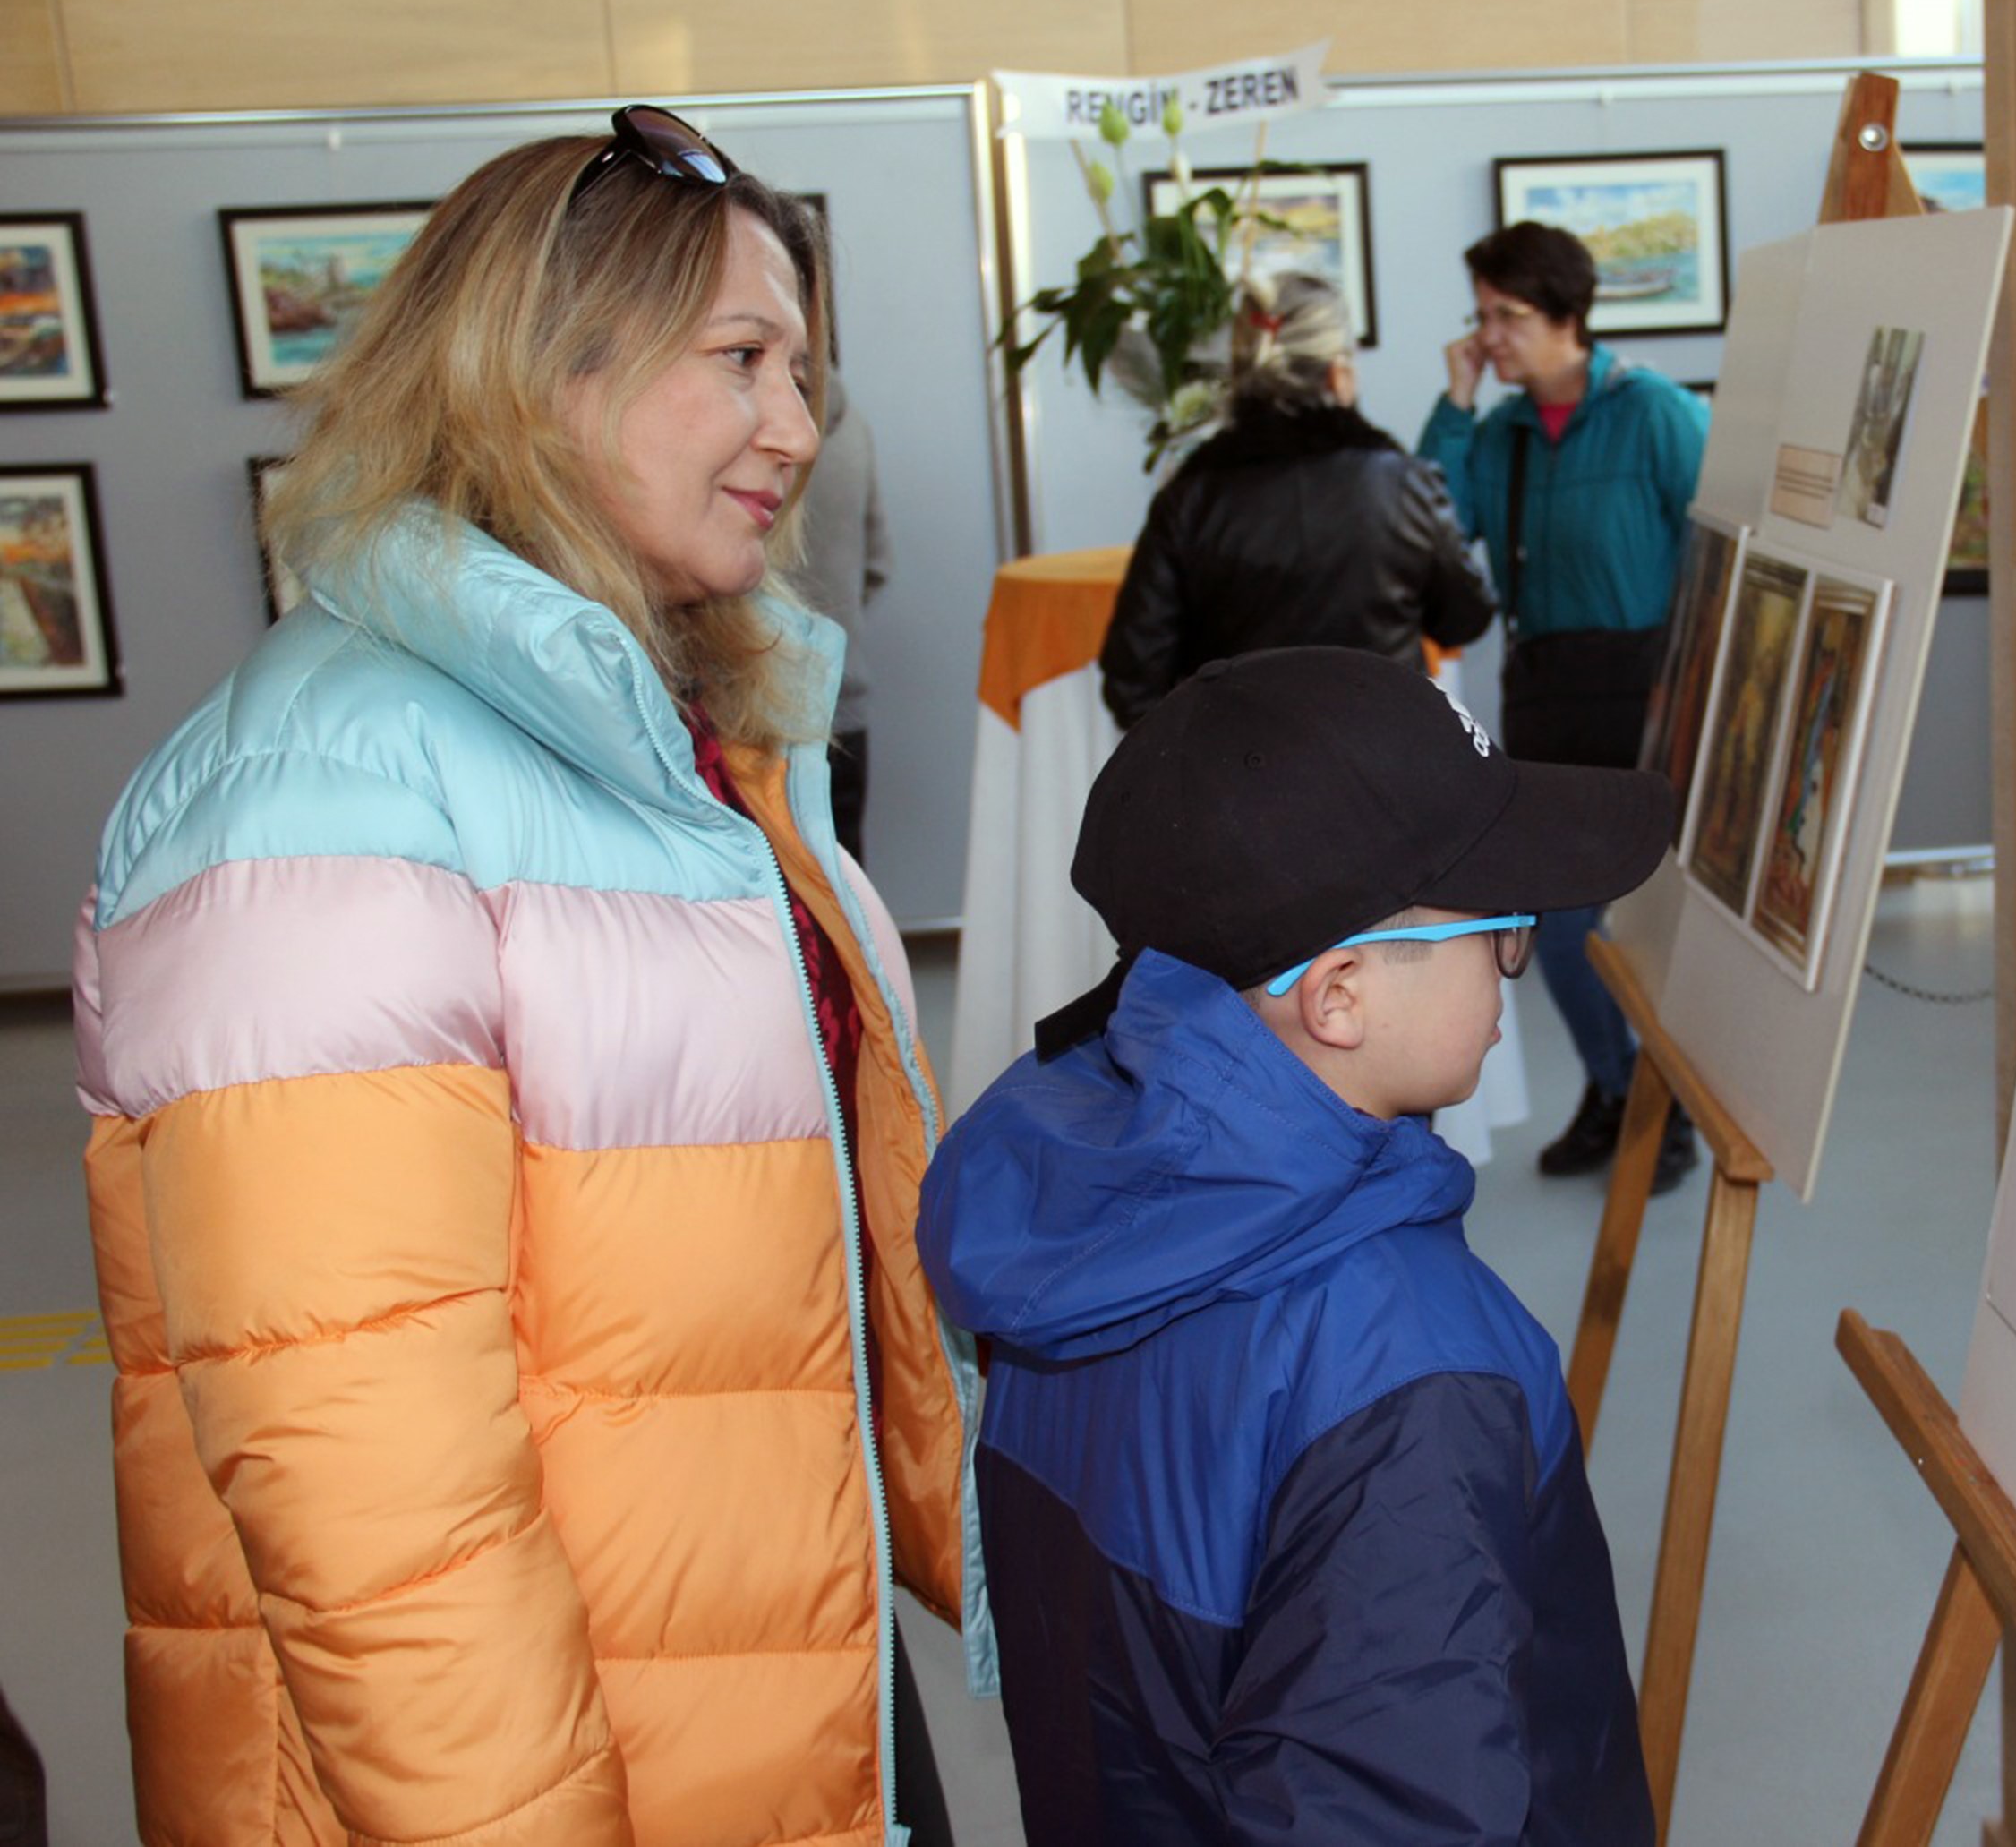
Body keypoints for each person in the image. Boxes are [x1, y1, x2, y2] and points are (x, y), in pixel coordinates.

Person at [72, 107, 968, 1843]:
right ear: (544, 369)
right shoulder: (320, 798)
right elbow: (375, 1514)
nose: (794, 426)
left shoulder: (675, 741)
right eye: (744, 360)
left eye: (801, 370)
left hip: (748, 1676)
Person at [921, 647, 1666, 1847]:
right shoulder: (1411, 1371)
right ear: (1340, 997)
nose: (1515, 963)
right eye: (1504, 931)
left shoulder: (1060, 1207)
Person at [1421, 220, 1710, 1192]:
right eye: (1481, 315)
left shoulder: (1653, 413)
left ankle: (1655, 1105)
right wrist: (1455, 402)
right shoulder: (1496, 431)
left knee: (1652, 923)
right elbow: (1430, 517)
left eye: (1506, 316)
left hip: (1647, 685)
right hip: (1541, 683)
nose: (1487, 335)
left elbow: (1719, 549)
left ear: (1567, 318)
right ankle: (1617, 1084)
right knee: (1555, 918)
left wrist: (1691, 684)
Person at [1098, 269, 1494, 729]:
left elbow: (1131, 681)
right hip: (1386, 763)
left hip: (1242, 774)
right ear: (1338, 373)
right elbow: (1465, 618)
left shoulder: (1191, 498)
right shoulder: (1404, 485)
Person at [779, 363, 892, 859]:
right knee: (846, 887)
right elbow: (879, 564)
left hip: (752, 706)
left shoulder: (737, 436)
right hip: (843, 700)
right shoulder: (853, 427)